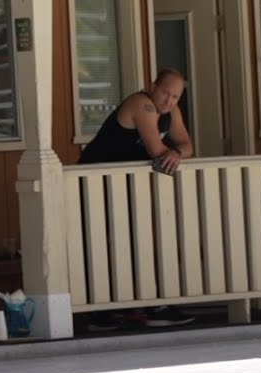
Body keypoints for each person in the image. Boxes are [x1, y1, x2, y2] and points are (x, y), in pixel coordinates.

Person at [79, 68, 196, 331]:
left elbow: (187, 145)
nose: (169, 101)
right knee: (102, 245)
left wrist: (177, 153)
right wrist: (173, 153)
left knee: (134, 241)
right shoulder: (142, 104)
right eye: (165, 92)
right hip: (94, 182)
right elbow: (156, 149)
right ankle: (101, 311)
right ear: (152, 86)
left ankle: (144, 305)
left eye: (175, 97)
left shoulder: (171, 112)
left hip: (124, 185)